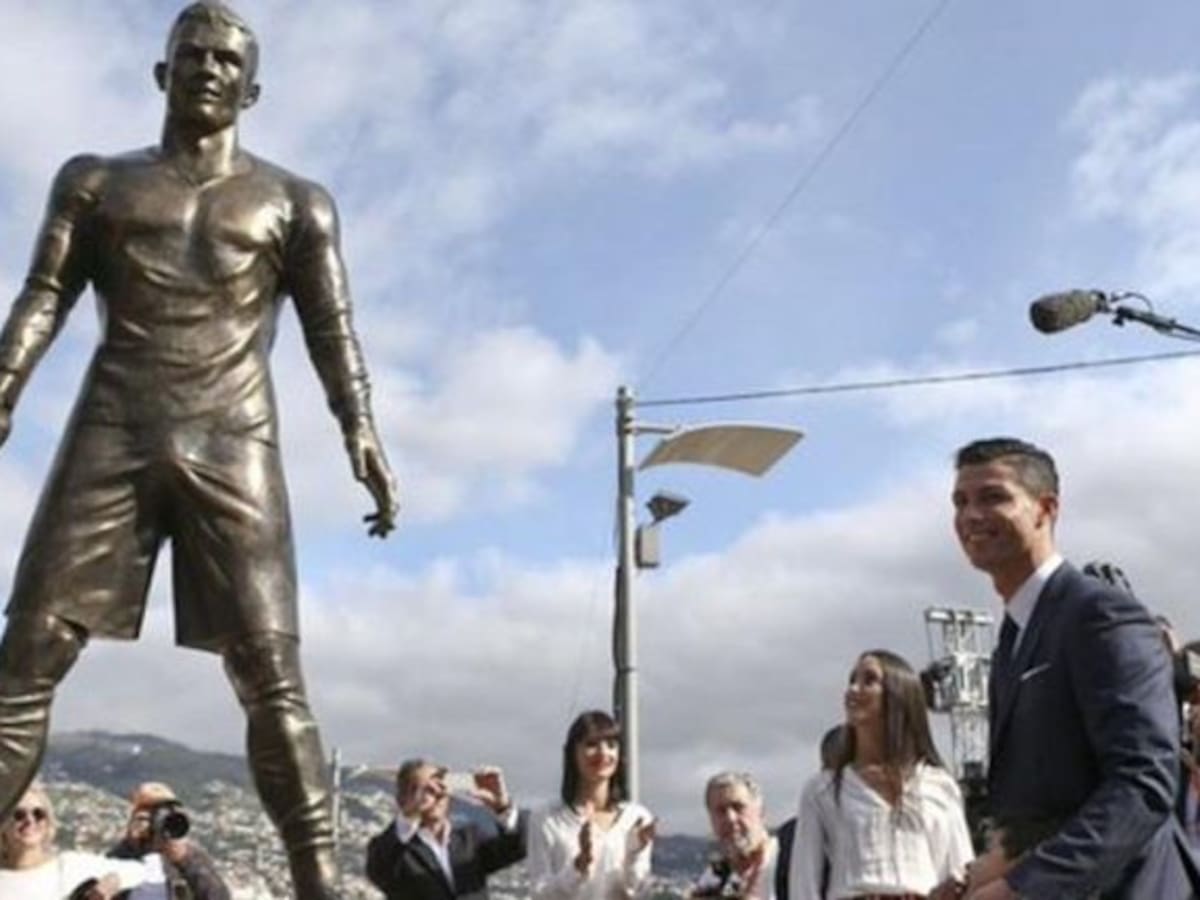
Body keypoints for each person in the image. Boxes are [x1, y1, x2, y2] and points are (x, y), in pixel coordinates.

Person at [0, 4, 399, 897]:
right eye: (194, 54)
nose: (210, 68)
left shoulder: (296, 202)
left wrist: (360, 427)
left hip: (235, 437)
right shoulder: (95, 183)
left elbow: (332, 330)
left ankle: (318, 885)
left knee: (271, 673)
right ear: (163, 72)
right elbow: (44, 295)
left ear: (251, 89)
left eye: (227, 59)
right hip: (114, 427)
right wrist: (5, 382)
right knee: (25, 657)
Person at [951, 436, 1200, 898]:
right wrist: (979, 875)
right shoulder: (1011, 640)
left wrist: (1020, 888)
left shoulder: (1100, 613)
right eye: (960, 502)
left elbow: (1142, 785)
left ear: (1046, 509)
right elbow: (1044, 806)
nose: (971, 516)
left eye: (993, 497)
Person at [790, 650, 973, 899]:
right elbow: (803, 885)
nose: (853, 689)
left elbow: (961, 871)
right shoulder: (823, 789)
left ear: (898, 695)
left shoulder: (939, 786)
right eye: (852, 680)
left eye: (869, 680)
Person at [527, 710, 656, 899]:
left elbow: (640, 893)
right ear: (572, 753)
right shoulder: (545, 817)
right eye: (591, 744)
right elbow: (539, 893)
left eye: (611, 745)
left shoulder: (637, 818)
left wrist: (635, 853)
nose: (603, 753)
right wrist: (578, 866)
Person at [365, 759, 526, 900]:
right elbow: (379, 871)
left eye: (439, 786)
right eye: (421, 789)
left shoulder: (469, 840)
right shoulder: (393, 850)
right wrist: (410, 814)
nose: (433, 796)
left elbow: (517, 847)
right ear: (402, 799)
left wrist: (502, 807)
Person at [0, 783, 148, 899]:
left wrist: (114, 879)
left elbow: (143, 872)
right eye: (19, 815)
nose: (30, 820)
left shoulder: (69, 867)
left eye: (38, 814)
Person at [107, 782, 229, 900]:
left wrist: (184, 860)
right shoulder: (120, 856)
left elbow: (218, 896)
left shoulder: (191, 856)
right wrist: (131, 846)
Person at [692, 772, 779, 899]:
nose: (730, 818)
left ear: (761, 812)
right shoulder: (712, 878)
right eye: (721, 811)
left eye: (738, 807)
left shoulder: (787, 863)